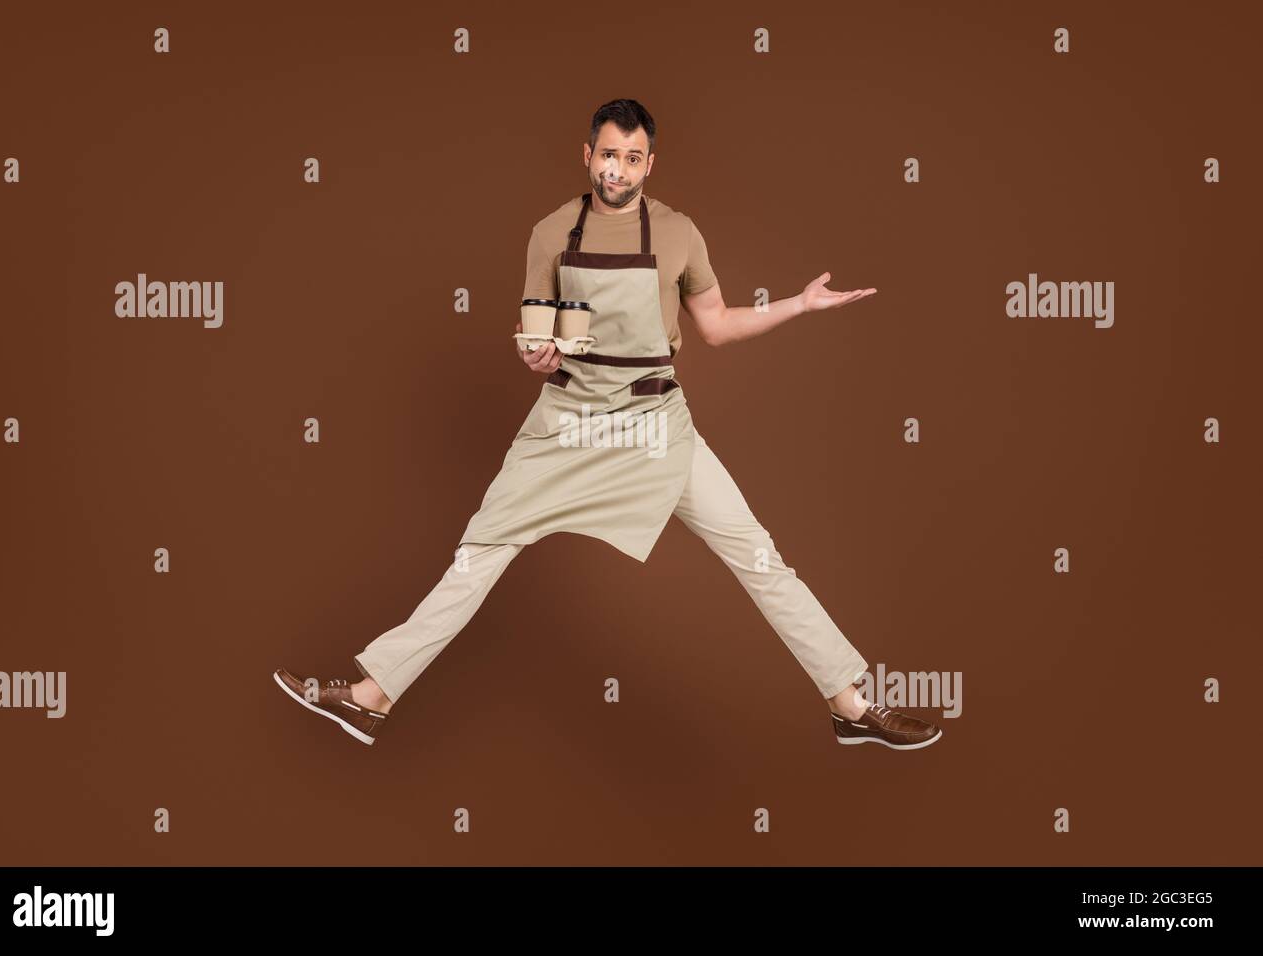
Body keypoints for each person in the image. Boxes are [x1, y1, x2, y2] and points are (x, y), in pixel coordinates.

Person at [274, 99, 941, 752]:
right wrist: (531, 352)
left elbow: (715, 325)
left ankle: (849, 704)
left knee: (758, 555)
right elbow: (534, 333)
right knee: (479, 553)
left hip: (655, 425)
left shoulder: (679, 233)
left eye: (632, 158)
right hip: (569, 420)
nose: (616, 171)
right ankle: (372, 698)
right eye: (607, 156)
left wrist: (798, 304)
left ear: (650, 162)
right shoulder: (551, 234)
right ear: (586, 155)